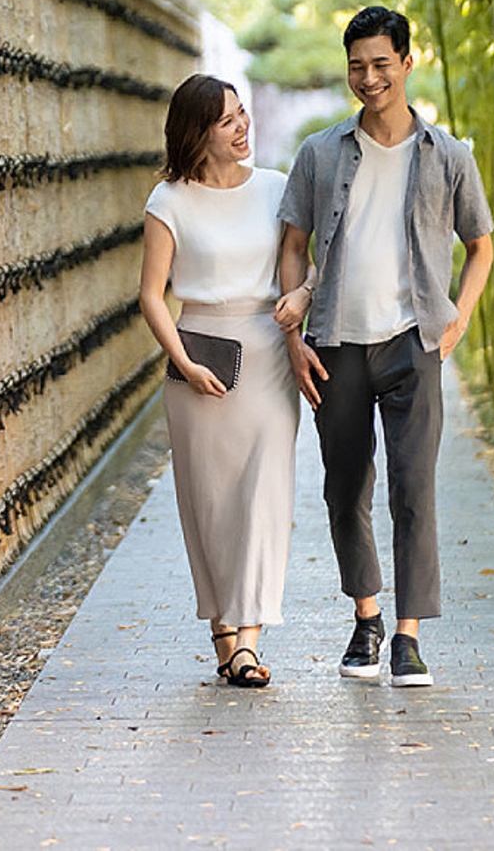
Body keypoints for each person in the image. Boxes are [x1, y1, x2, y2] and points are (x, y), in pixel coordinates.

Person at [276, 6, 494, 688]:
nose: (367, 78)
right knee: (344, 487)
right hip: (336, 341)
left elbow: (480, 245)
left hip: (412, 342)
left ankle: (407, 636)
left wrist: (458, 316)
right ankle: (365, 618)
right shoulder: (318, 153)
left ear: (406, 61)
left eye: (379, 64)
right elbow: (291, 245)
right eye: (356, 66)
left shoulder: (447, 155)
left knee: (413, 489)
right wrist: (291, 338)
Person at [139, 74, 310, 688]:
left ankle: (248, 640)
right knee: (209, 504)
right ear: (198, 134)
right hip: (200, 358)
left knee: (265, 495)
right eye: (228, 122)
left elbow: (304, 262)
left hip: (266, 357)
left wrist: (303, 295)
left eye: (243, 115)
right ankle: (223, 634)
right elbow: (152, 297)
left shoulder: (276, 187)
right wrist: (183, 362)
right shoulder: (170, 202)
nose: (244, 128)